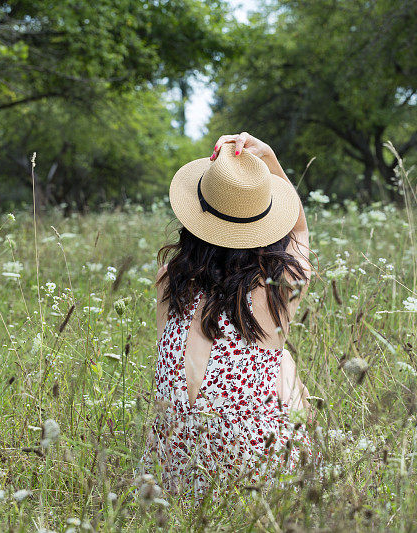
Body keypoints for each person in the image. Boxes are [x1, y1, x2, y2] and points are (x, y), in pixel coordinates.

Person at [139, 132, 315, 502]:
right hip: (252, 478)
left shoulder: (169, 279)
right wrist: (270, 161)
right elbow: (299, 229)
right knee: (283, 364)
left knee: (281, 362)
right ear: (266, 222)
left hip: (177, 473)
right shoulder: (276, 289)